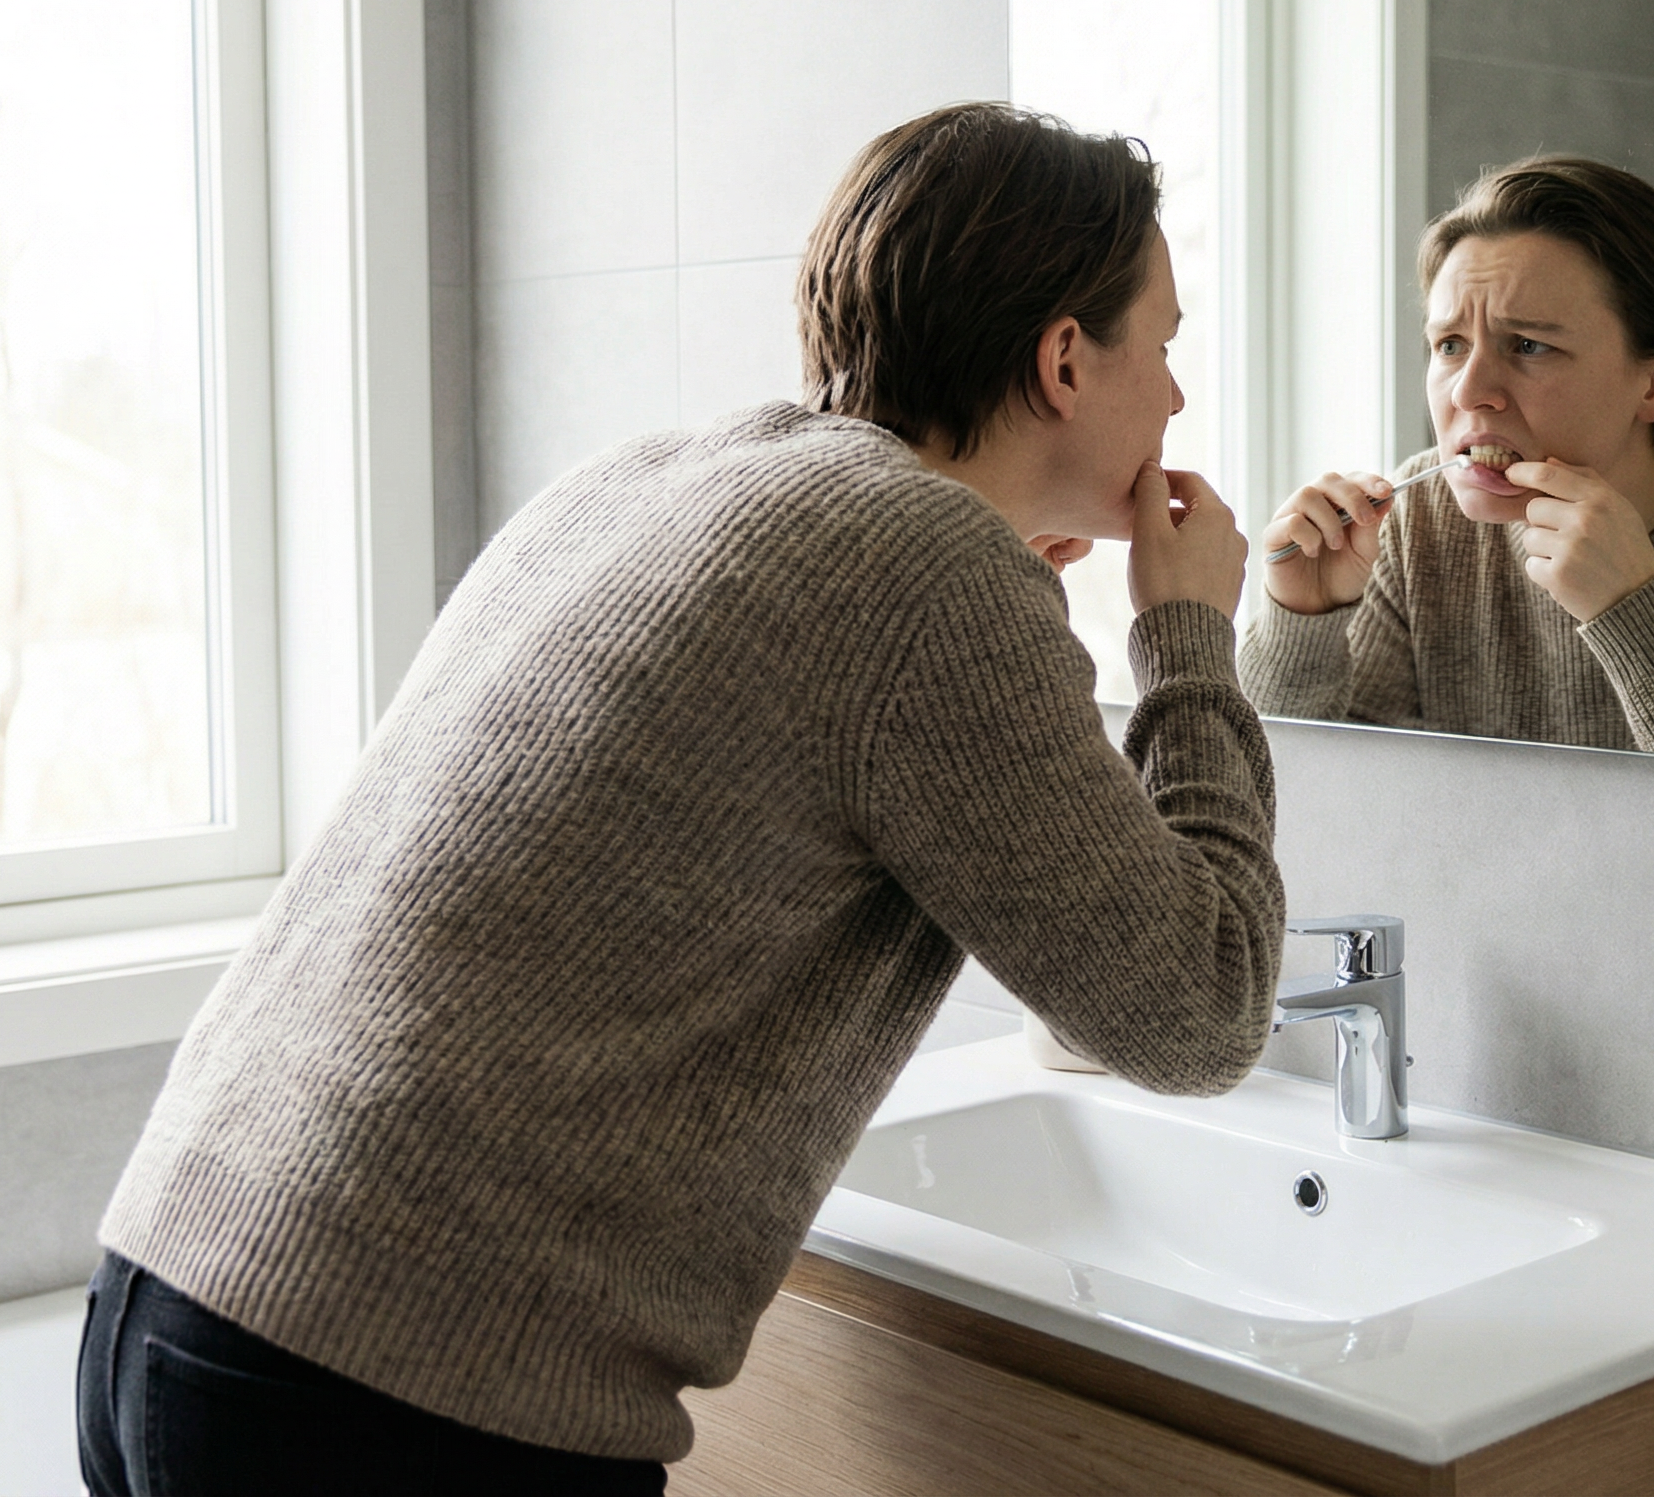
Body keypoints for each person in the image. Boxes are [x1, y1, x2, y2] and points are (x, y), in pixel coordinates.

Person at [76, 104, 1283, 1494]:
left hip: (176, 1296)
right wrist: (1187, 637)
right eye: (1169, 344)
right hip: (391, 1397)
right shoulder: (923, 572)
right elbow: (1198, 1010)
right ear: (1065, 358)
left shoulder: (653, 480)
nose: (1180, 402)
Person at [1240, 155, 1654, 768]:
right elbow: (1306, 810)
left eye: (1528, 345)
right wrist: (1301, 625)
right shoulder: (1413, 524)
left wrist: (1637, 611)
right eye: (1450, 345)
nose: (1468, 391)